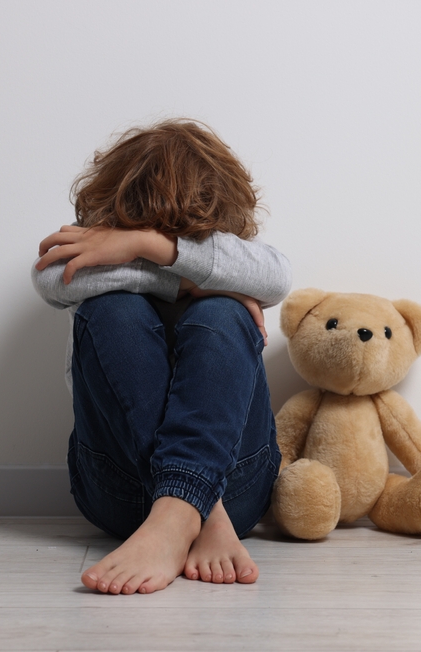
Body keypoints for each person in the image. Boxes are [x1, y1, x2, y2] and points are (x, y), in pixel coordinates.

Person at [32, 120, 291, 595]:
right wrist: (182, 281)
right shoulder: (99, 249)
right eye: (141, 231)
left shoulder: (230, 256)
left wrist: (147, 247)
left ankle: (176, 515)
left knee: (224, 312)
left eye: (176, 240)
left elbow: (277, 279)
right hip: (122, 487)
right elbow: (51, 278)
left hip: (239, 485)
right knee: (112, 310)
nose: (157, 241)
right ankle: (196, 511)